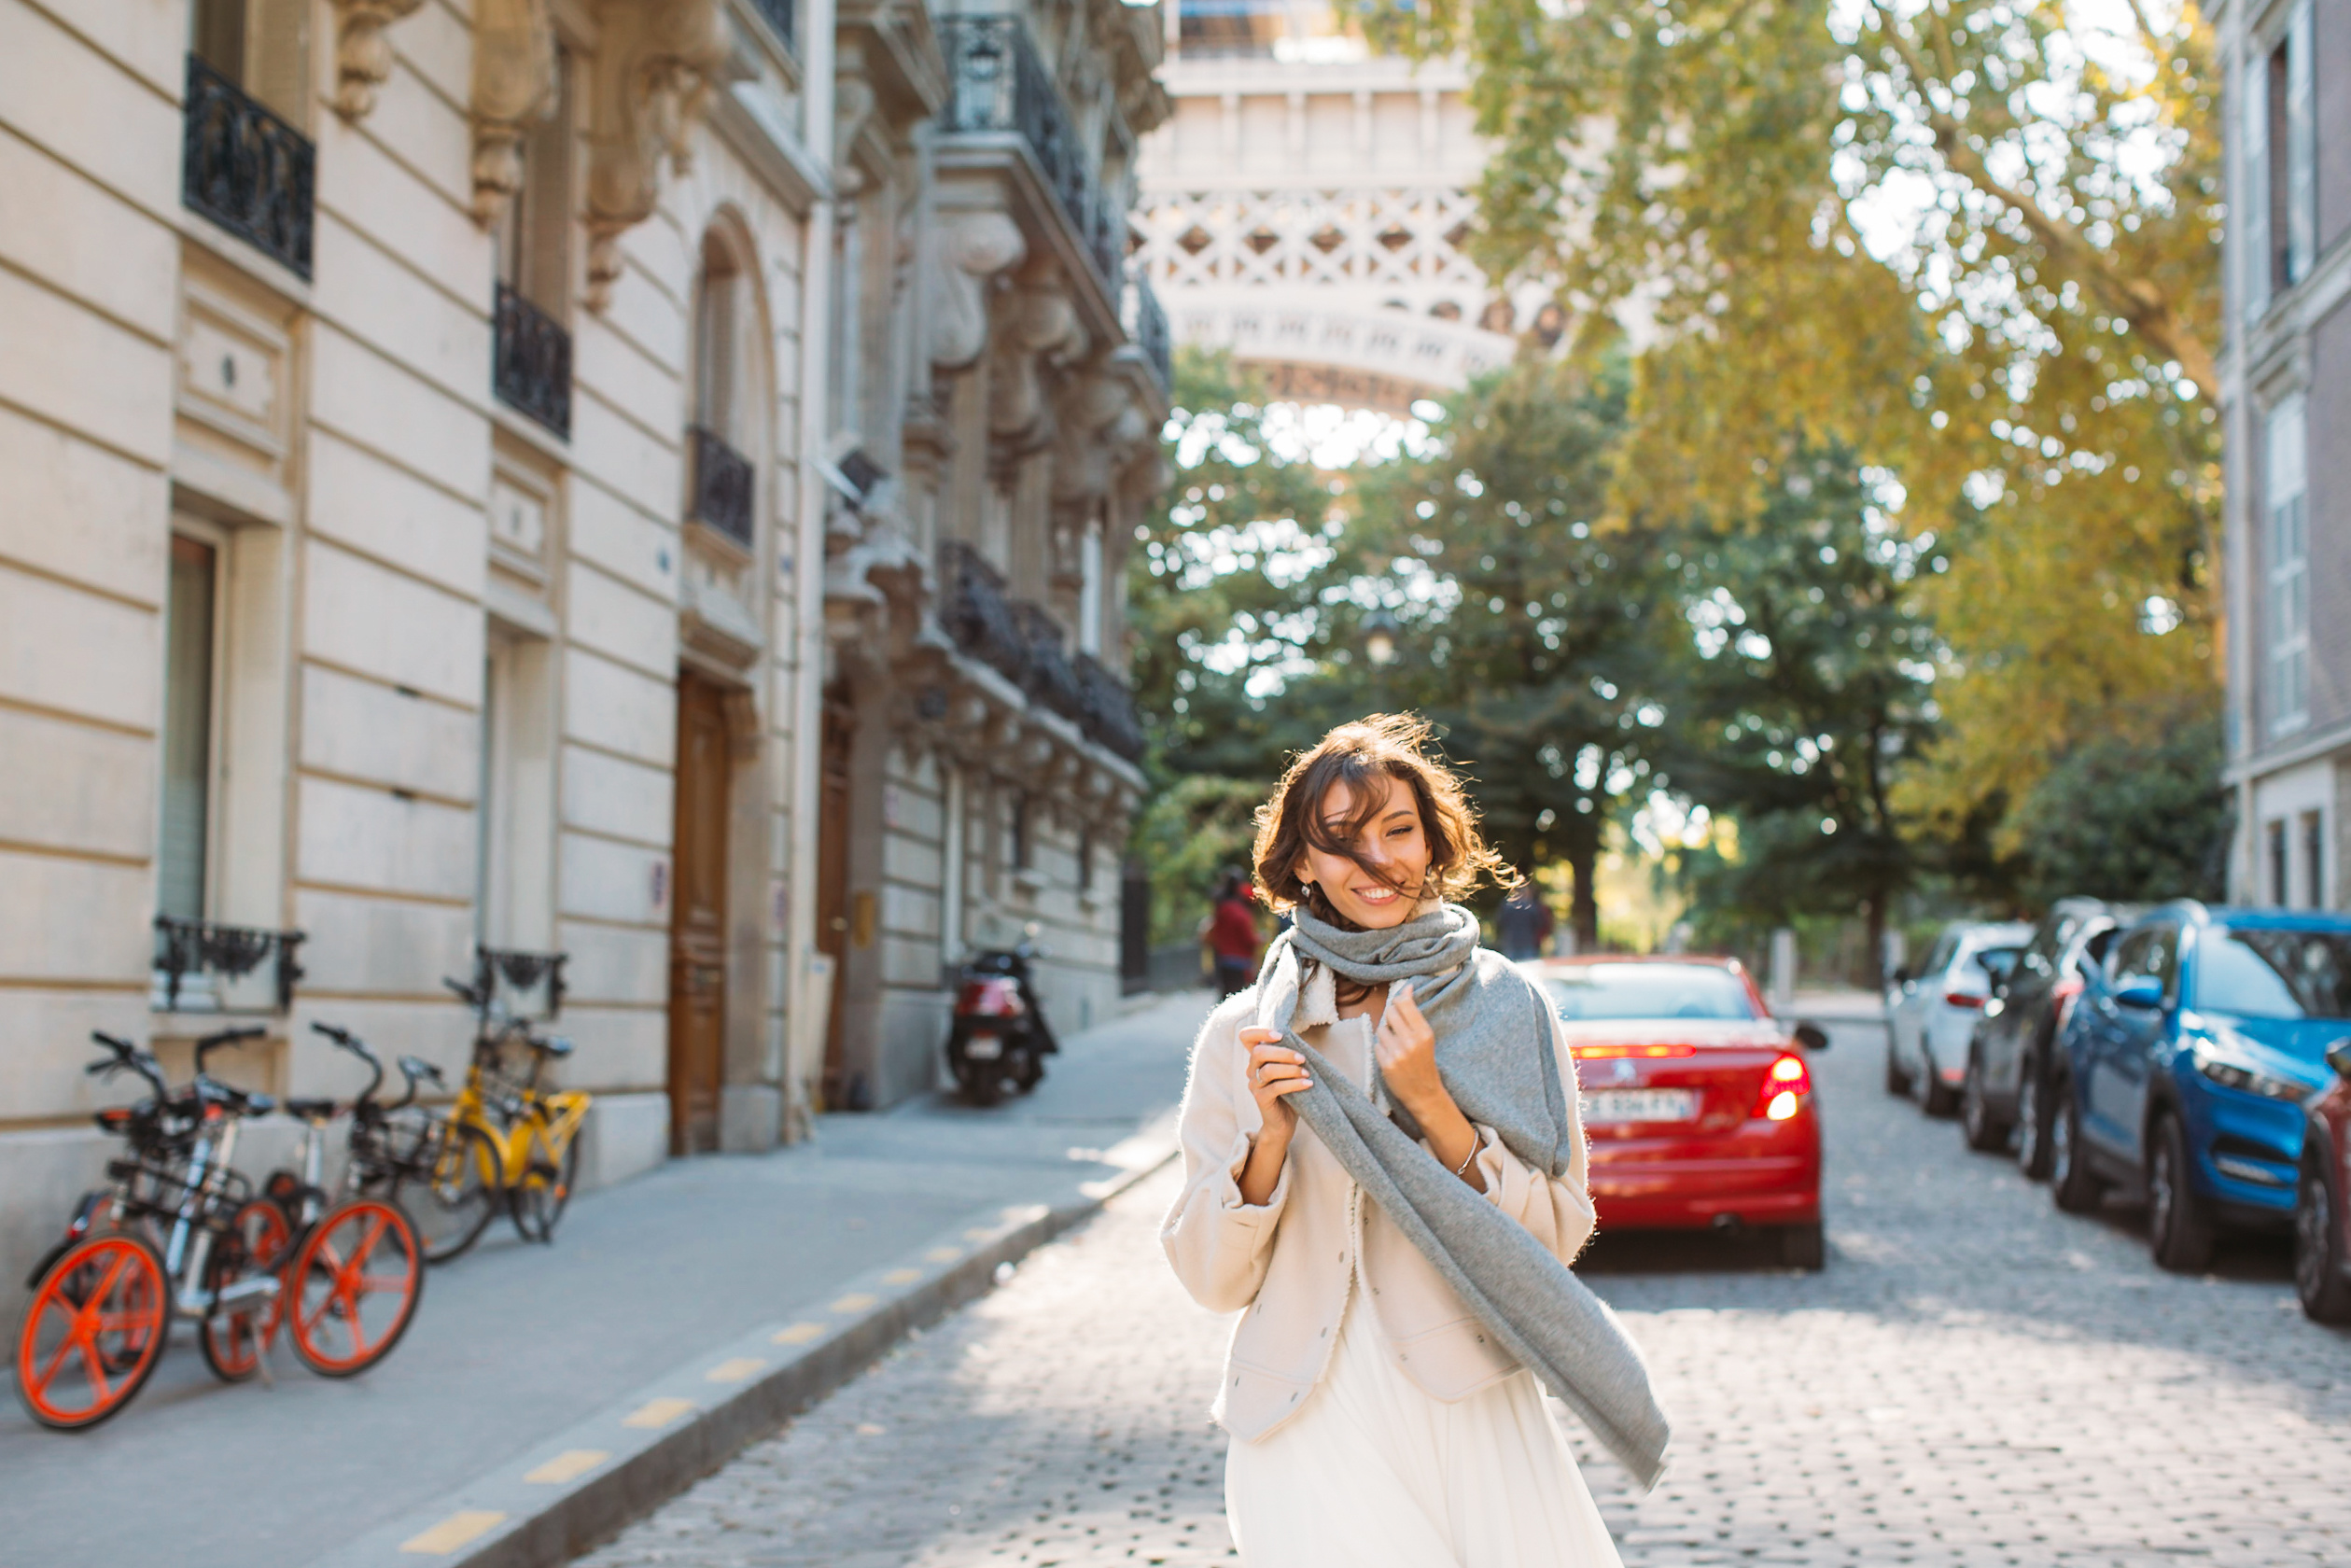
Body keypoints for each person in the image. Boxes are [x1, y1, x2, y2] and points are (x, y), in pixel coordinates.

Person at [1161, 714, 1627, 1567]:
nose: (1376, 862)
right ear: (1300, 863)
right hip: (1302, 1409)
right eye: (1339, 840)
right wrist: (1265, 1146)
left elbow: (1556, 1236)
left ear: (1433, 841)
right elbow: (1208, 1278)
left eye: (1397, 830)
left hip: (1466, 1406)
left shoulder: (1503, 1009)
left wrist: (1433, 1108)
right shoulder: (1248, 1034)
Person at [1208, 871, 1262, 997]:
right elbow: (1249, 939)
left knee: (1226, 995)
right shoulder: (1241, 913)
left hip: (1223, 958)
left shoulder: (1221, 908)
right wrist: (1259, 939)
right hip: (1240, 961)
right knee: (1239, 997)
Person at [1493, 877, 1555, 961]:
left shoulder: (1506, 906)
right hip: (1528, 942)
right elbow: (1539, 923)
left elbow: (1499, 922)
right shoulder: (1530, 906)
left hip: (1511, 941)